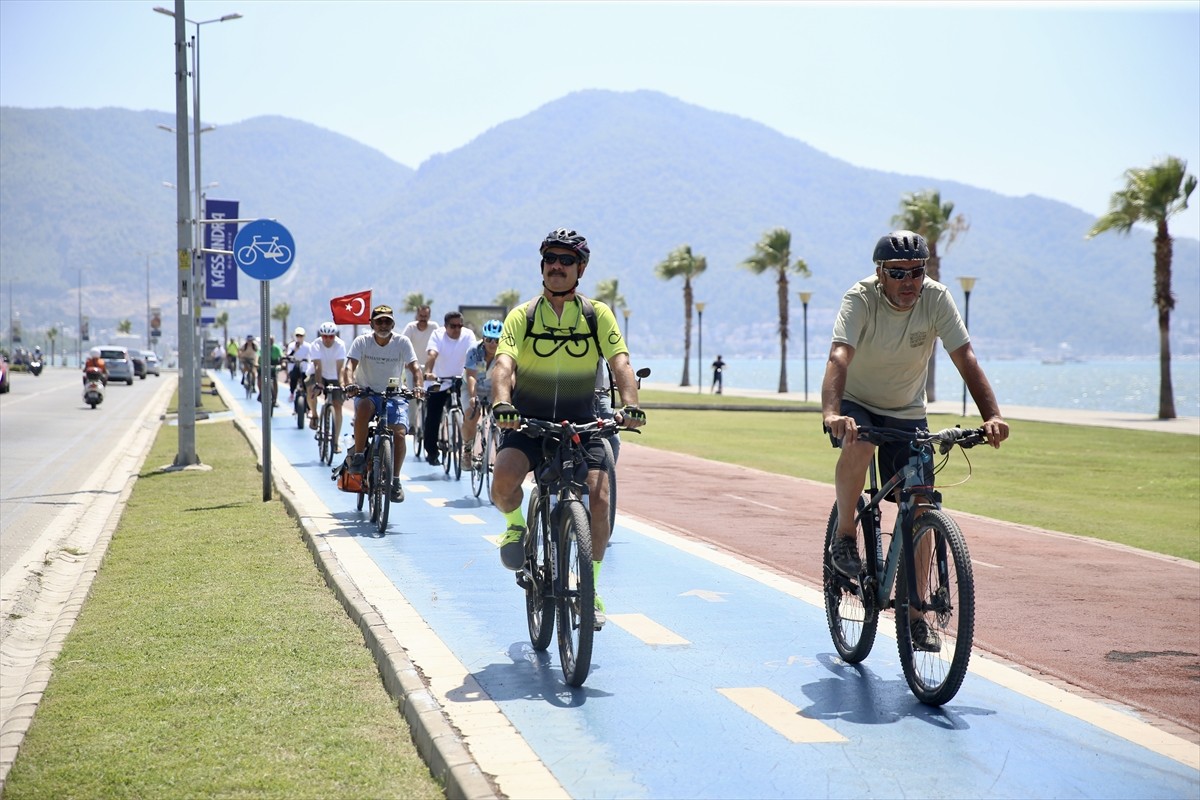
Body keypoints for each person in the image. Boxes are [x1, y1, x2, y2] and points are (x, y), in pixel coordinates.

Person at [820, 229, 1009, 651]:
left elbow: (966, 358)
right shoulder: (860, 298)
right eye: (898, 272)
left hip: (907, 410)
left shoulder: (936, 298)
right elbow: (839, 355)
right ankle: (846, 535)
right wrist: (833, 413)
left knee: (922, 502)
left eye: (916, 271)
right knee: (860, 444)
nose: (908, 281)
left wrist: (992, 415)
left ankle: (916, 615)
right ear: (880, 273)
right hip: (857, 402)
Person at [490, 228, 646, 630]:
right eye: (550, 259)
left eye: (566, 260)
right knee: (503, 481)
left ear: (581, 268)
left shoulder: (596, 315)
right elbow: (504, 364)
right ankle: (515, 527)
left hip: (583, 422)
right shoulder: (522, 316)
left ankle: (590, 588)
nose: (556, 266)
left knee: (600, 499)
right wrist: (503, 403)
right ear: (542, 265)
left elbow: (621, 362)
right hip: (528, 420)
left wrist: (631, 405)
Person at [342, 305, 424, 502]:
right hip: (367, 393)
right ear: (372, 324)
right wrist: (350, 384)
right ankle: (359, 455)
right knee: (363, 408)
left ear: (393, 324)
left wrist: (419, 387)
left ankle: (395, 480)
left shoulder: (402, 342)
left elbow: (415, 368)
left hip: (394, 395)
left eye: (387, 321)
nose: (383, 325)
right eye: (379, 321)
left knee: (400, 434)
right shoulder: (362, 341)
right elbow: (349, 366)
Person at [421, 310, 478, 465]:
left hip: (460, 380)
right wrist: (428, 372)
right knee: (433, 416)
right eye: (453, 326)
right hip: (439, 380)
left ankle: (466, 447)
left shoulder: (468, 335)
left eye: (460, 326)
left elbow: (474, 355)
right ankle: (432, 452)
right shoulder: (437, 335)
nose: (457, 329)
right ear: (445, 326)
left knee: (469, 411)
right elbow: (432, 355)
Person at [460, 318, 503, 465]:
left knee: (502, 415)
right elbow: (471, 375)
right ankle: (467, 449)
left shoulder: (505, 352)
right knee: (472, 414)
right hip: (471, 386)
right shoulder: (474, 350)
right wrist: (473, 397)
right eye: (489, 339)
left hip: (493, 386)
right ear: (483, 338)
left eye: (497, 340)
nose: (493, 344)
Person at [305, 321, 347, 450]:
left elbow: (340, 369)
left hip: (335, 376)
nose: (328, 339)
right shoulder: (315, 344)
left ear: (335, 336)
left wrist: (342, 384)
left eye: (331, 337)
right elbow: (318, 366)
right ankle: (314, 415)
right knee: (311, 388)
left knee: (338, 406)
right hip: (319, 374)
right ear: (321, 336)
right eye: (324, 336)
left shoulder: (340, 345)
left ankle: (335, 442)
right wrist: (319, 384)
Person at [400, 305, 439, 389]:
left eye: (425, 316)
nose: (423, 319)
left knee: (429, 391)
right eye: (421, 316)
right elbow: (402, 344)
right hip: (412, 366)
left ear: (429, 316)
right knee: (412, 392)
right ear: (417, 316)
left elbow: (439, 344)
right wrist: (405, 362)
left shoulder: (434, 327)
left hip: (429, 368)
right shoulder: (410, 327)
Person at [284, 327, 308, 401]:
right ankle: (292, 393)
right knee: (293, 377)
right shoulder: (292, 345)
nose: (299, 337)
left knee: (306, 379)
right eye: (297, 336)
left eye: (301, 336)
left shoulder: (308, 346)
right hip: (294, 365)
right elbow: (288, 355)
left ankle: (307, 395)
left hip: (304, 367)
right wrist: (295, 349)